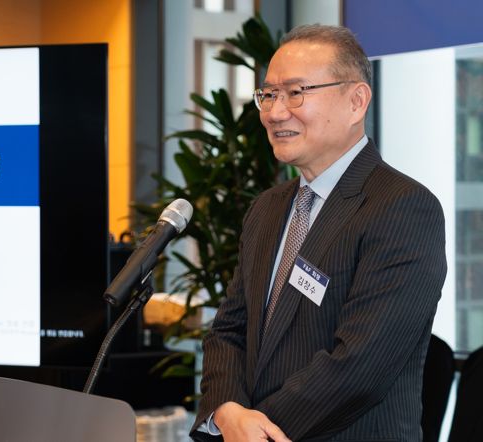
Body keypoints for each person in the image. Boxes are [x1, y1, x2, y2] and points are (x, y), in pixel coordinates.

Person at [191, 24, 447, 441]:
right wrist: (227, 412)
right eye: (269, 95)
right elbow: (227, 331)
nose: (275, 112)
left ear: (356, 101)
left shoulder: (402, 207)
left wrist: (254, 430)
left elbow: (361, 365)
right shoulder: (267, 209)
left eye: (296, 93)